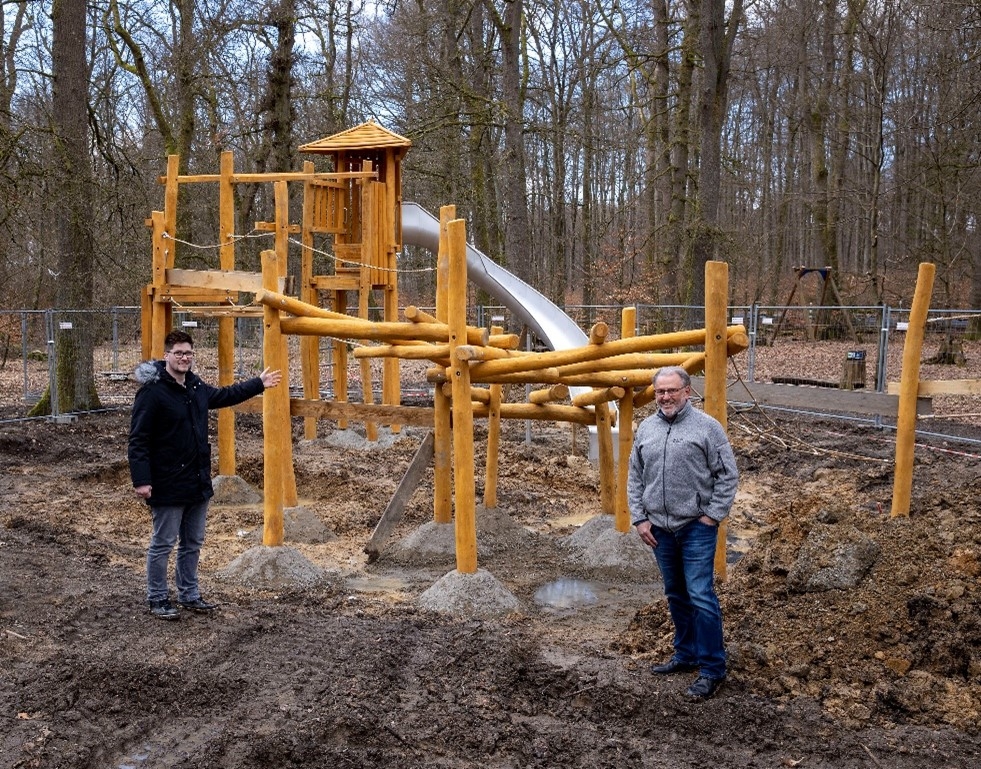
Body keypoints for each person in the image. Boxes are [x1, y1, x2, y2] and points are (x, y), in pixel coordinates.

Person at [128, 330, 282, 620]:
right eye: (179, 353)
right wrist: (142, 480)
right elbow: (138, 440)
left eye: (189, 353)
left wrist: (258, 384)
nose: (184, 358)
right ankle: (158, 597)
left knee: (193, 542)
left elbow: (225, 395)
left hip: (197, 480)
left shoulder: (195, 387)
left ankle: (188, 593)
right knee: (163, 542)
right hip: (166, 481)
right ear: (167, 356)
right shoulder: (152, 392)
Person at [627, 366, 738, 699]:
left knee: (701, 595)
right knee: (675, 593)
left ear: (687, 391)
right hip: (659, 528)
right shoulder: (646, 428)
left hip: (695, 527)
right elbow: (635, 476)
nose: (665, 397)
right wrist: (640, 518)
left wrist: (711, 517)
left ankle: (712, 669)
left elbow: (728, 476)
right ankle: (686, 654)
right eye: (660, 391)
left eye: (672, 391)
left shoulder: (707, 428)